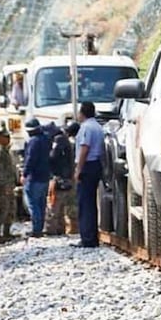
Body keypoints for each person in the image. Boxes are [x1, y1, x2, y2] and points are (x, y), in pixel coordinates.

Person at [73, 101, 104, 248]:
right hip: (96, 164)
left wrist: (78, 169)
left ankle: (87, 238)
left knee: (84, 203)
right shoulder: (98, 126)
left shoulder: (86, 127)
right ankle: (92, 236)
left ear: (82, 112)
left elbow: (84, 148)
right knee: (91, 203)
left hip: (87, 165)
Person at [45, 121, 79, 236]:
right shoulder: (66, 140)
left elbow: (53, 156)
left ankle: (52, 229)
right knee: (68, 204)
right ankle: (67, 228)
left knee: (54, 204)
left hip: (60, 177)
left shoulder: (59, 139)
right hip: (67, 176)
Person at [21, 117, 51, 238]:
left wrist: (24, 174)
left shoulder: (33, 141)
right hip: (45, 176)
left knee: (33, 204)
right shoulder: (46, 139)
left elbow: (30, 160)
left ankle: (36, 230)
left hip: (34, 177)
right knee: (41, 203)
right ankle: (40, 227)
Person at [0, 127, 17, 244]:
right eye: (6, 137)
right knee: (1, 210)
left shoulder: (5, 150)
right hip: (1, 185)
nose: (8, 139)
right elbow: (0, 172)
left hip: (8, 184)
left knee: (10, 209)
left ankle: (6, 233)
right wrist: (6, 186)